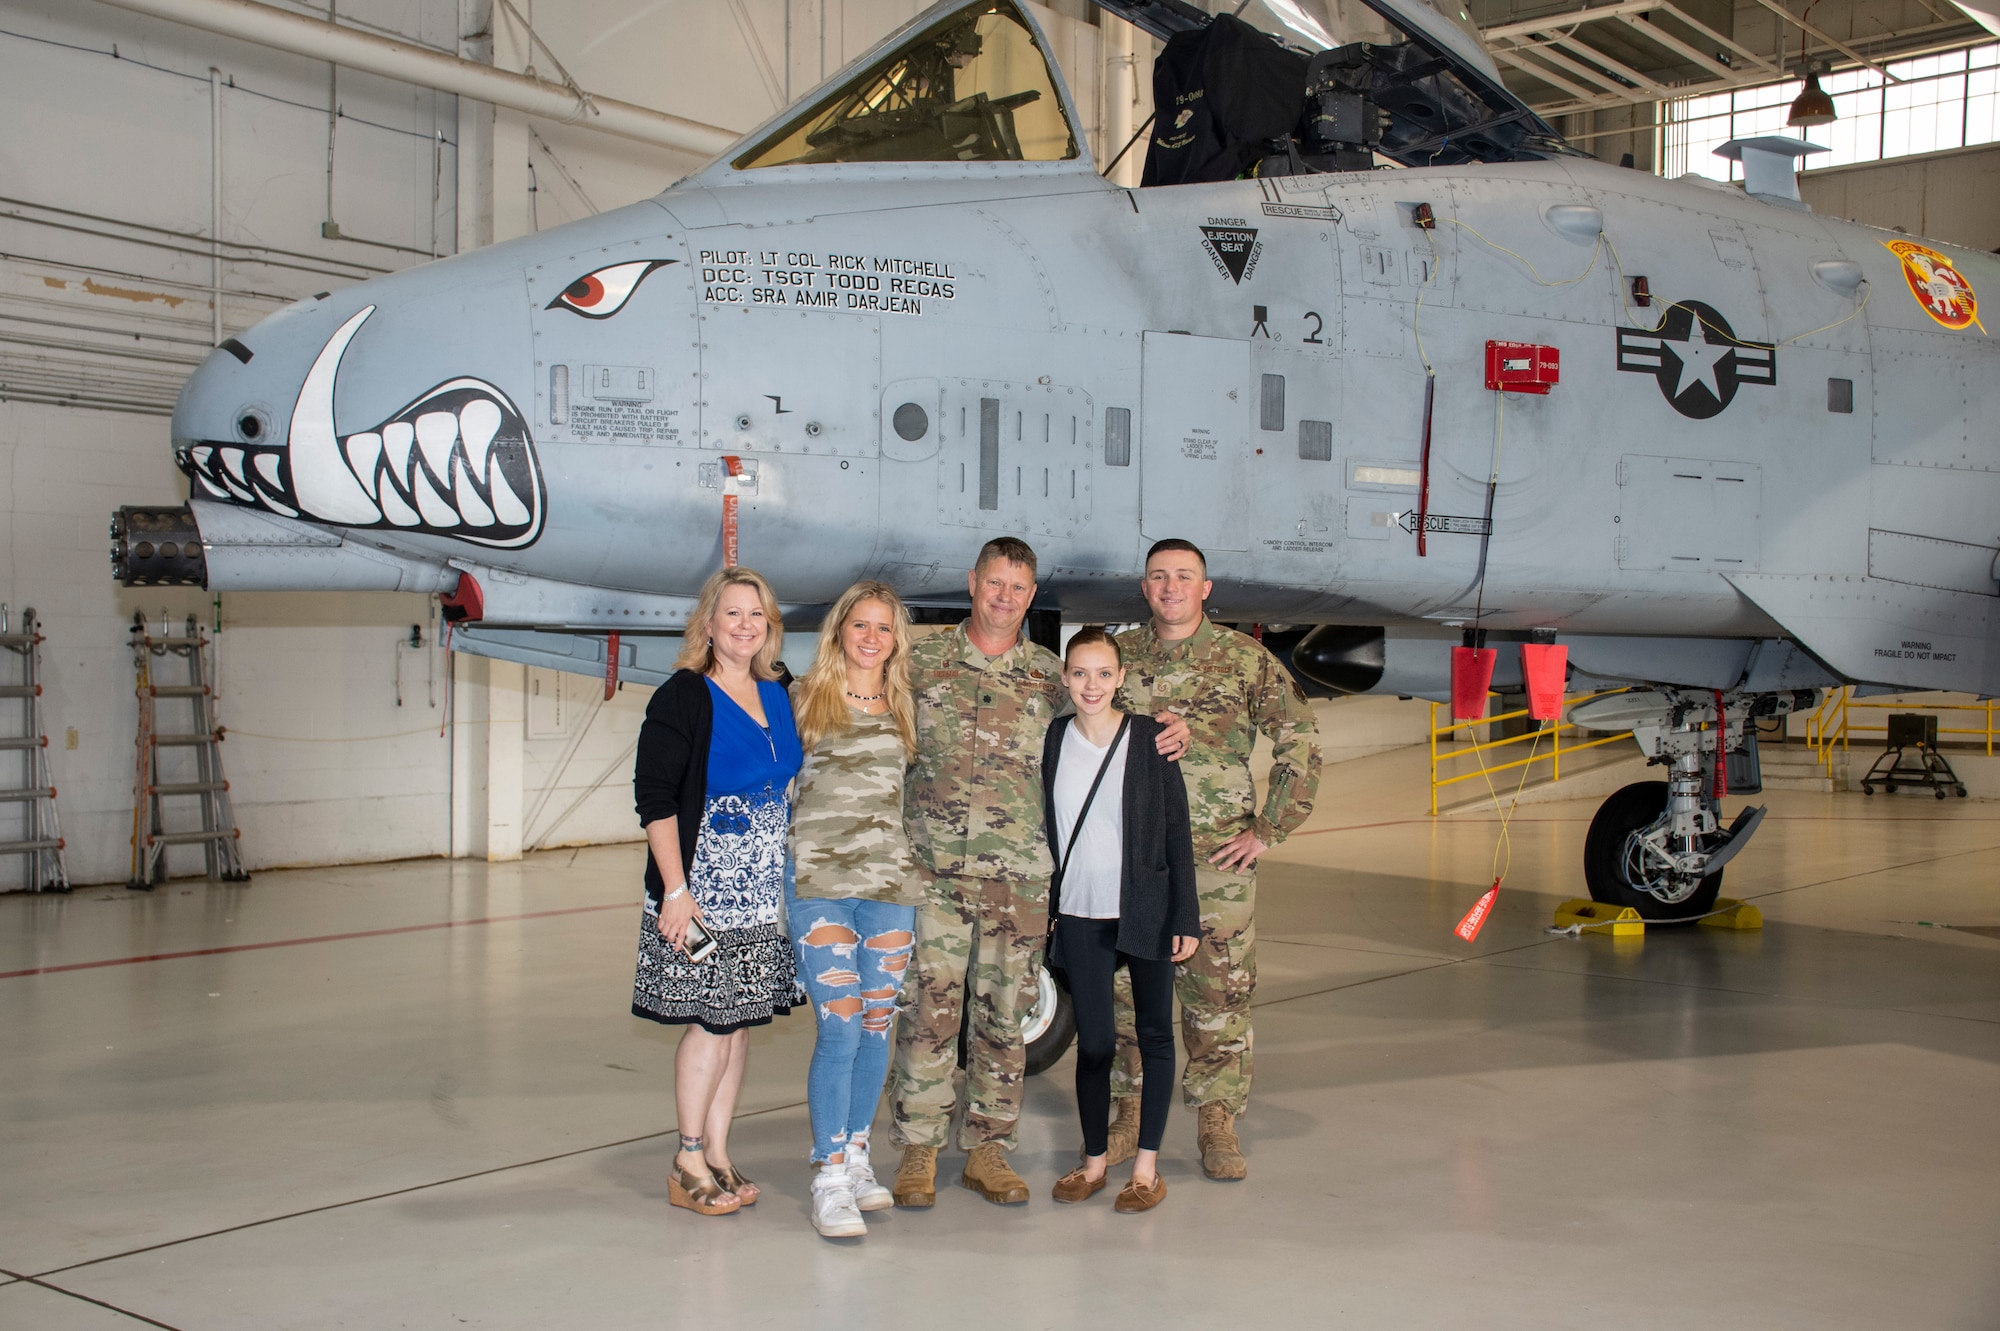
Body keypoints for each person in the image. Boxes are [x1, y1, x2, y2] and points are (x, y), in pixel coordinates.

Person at [889, 536, 1190, 1209]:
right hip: (933, 872)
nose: (1005, 597)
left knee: (1004, 1013)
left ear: (1032, 595)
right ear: (972, 582)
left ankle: (989, 1148)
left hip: (1019, 881)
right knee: (930, 1012)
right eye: (995, 583)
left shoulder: (1049, 676)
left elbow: (1108, 717)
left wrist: (1170, 730)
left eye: (1019, 587)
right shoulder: (922, 660)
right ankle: (919, 1147)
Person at [1106, 539, 1323, 1181]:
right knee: (1126, 993)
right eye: (1158, 577)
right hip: (1133, 857)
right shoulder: (1116, 658)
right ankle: (1127, 1113)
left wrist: (1269, 829)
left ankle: (1217, 1120)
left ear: (1205, 588)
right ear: (1143, 587)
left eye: (1184, 577)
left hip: (1216, 859)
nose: (1170, 587)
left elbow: (1301, 741)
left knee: (1218, 994)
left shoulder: (1243, 659)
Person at [632, 566, 804, 1217]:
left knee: (736, 1025)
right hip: (702, 893)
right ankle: (686, 1155)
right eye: (731, 613)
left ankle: (720, 1153)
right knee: (709, 1022)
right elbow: (655, 801)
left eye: (755, 614)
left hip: (762, 895)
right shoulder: (682, 696)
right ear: (708, 624)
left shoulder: (777, 692)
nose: (744, 625)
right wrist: (675, 890)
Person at [1041, 628, 1199, 1214]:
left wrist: (1186, 914)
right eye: (1080, 673)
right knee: (1097, 1045)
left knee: (1156, 1035)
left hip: (1146, 909)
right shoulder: (1054, 739)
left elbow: (1177, 831)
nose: (1091, 685)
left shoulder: (1153, 739)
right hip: (1081, 912)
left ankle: (1147, 1169)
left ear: (1121, 678)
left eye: (1104, 674)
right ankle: (1094, 1163)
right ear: (1064, 677)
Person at [786, 581, 922, 1239]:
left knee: (875, 1027)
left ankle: (859, 1154)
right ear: (840, 628)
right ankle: (828, 1174)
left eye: (884, 627)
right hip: (821, 887)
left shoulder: (904, 707)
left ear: (896, 640)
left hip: (889, 890)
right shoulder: (803, 698)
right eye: (860, 624)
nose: (871, 636)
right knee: (837, 1028)